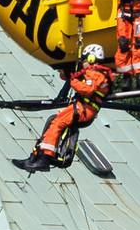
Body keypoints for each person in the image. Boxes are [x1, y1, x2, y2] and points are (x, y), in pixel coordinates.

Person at [17, 44, 113, 172]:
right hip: (81, 107)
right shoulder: (92, 73)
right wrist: (66, 72)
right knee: (52, 121)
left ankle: (44, 159)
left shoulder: (96, 74)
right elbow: (69, 77)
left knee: (57, 123)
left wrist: (72, 80)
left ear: (90, 59)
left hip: (85, 109)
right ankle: (35, 157)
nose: (83, 63)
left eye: (84, 60)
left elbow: (87, 89)